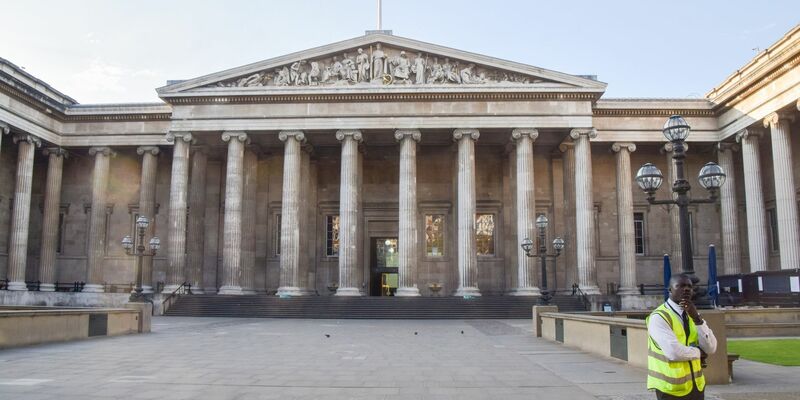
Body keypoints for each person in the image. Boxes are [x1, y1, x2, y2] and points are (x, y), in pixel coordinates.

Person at [646, 274, 717, 400]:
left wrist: (697, 319)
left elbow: (711, 347)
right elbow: (673, 352)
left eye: (690, 286)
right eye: (681, 286)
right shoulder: (659, 317)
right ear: (669, 290)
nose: (686, 289)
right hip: (671, 389)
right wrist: (699, 353)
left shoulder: (693, 314)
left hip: (696, 386)